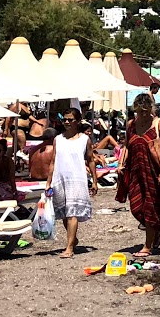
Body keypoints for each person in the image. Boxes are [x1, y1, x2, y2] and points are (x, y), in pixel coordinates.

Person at [119, 93, 160, 256]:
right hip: (136, 171)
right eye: (140, 111)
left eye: (146, 110)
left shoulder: (159, 124)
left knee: (151, 206)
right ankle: (155, 233)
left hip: (155, 172)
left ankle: (147, 246)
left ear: (152, 108)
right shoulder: (131, 125)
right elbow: (127, 146)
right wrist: (121, 163)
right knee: (137, 207)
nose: (144, 114)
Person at [50, 110, 96, 258]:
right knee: (64, 213)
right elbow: (53, 161)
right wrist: (48, 182)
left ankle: (69, 247)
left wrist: (95, 181)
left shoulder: (84, 140)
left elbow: (90, 160)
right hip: (60, 178)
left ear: (78, 121)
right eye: (65, 119)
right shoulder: (58, 139)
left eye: (70, 120)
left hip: (77, 179)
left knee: (72, 212)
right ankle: (73, 239)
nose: (67, 122)